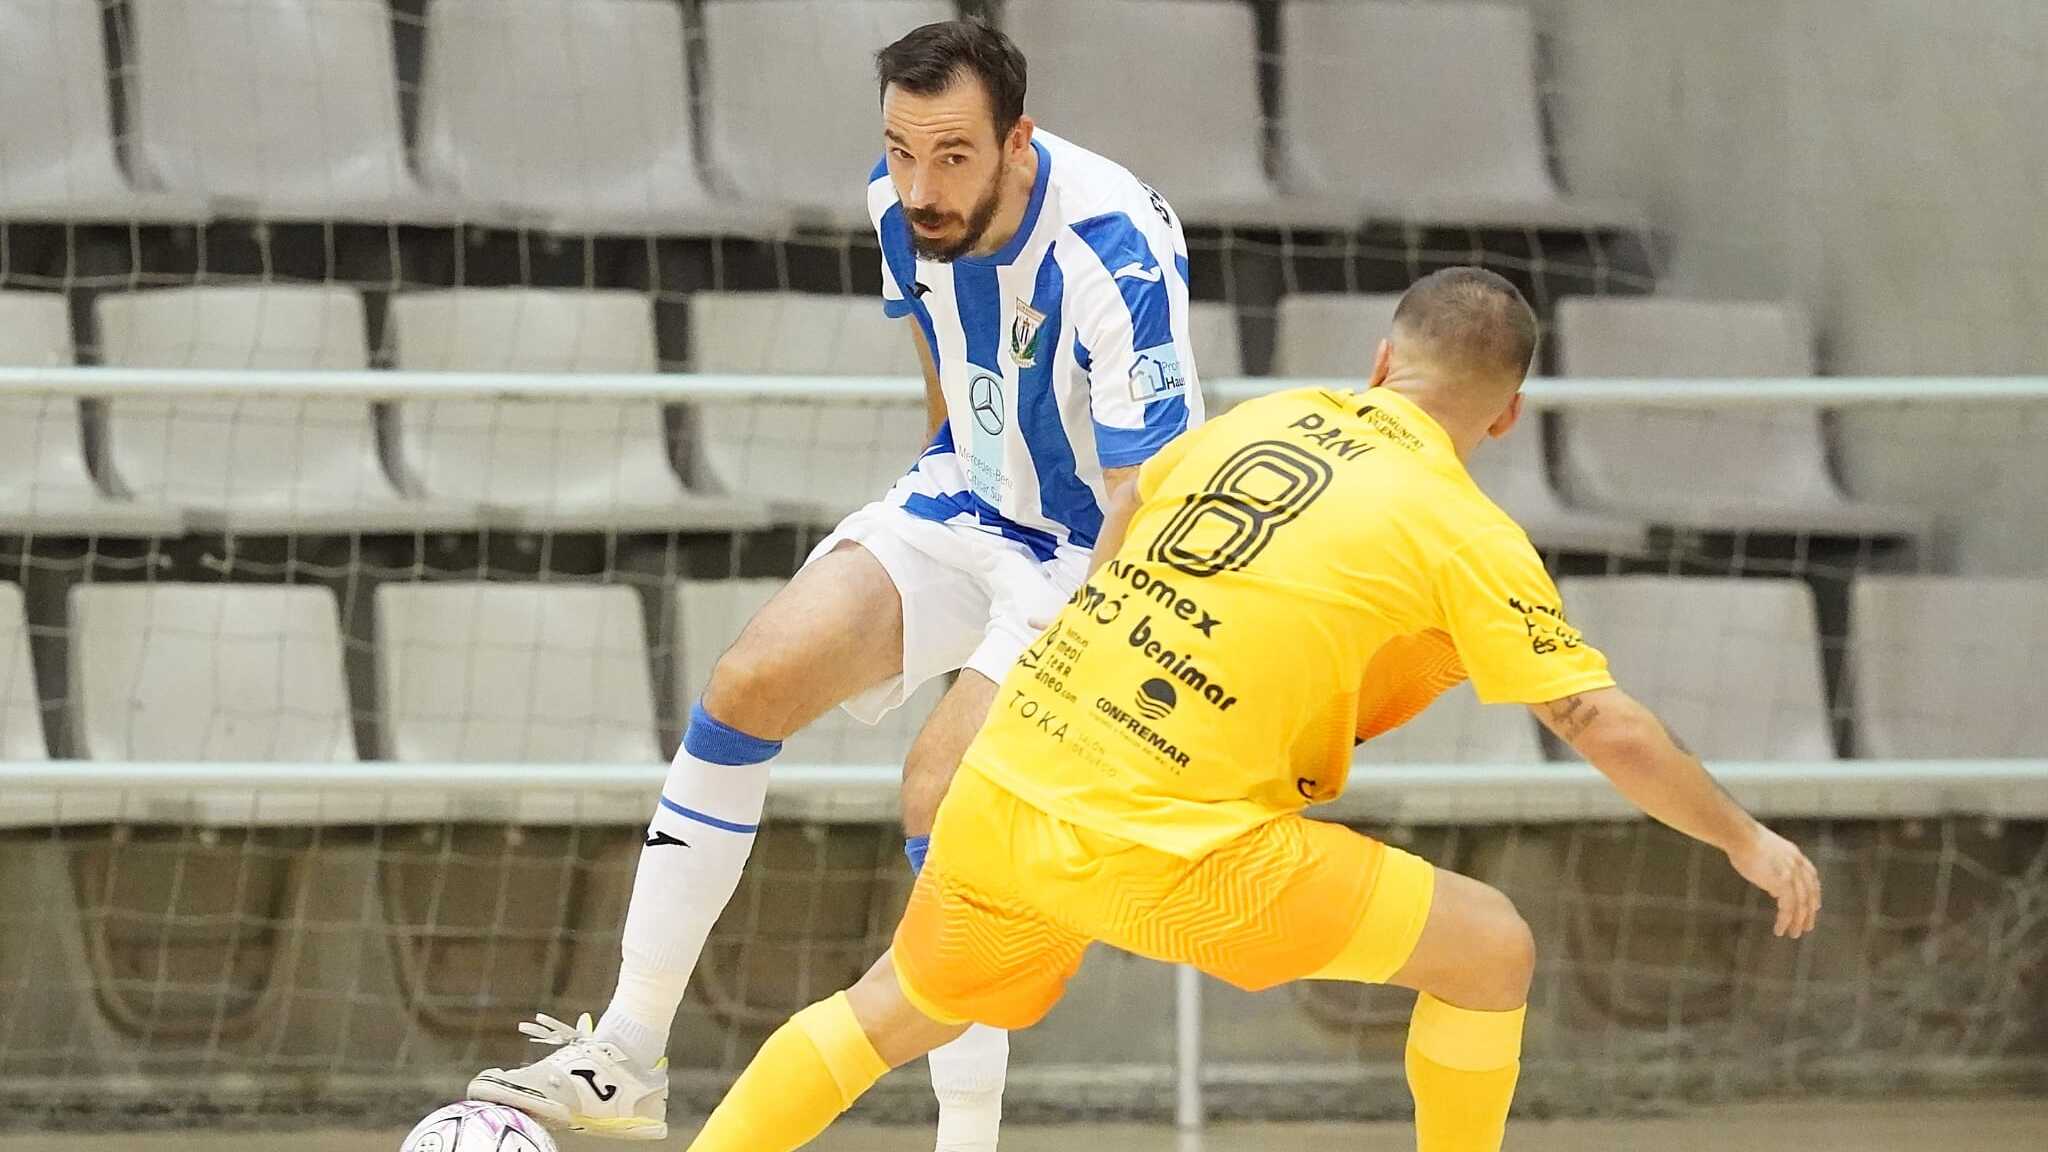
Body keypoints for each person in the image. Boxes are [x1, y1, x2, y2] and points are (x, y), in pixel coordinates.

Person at [679, 267, 1823, 1152]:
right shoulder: (1463, 529)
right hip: (1180, 854)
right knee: (1492, 952)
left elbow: (1123, 522)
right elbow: (1596, 723)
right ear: (1507, 416)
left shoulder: (1247, 424)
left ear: (1381, 360)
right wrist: (1745, 837)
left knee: (885, 1011)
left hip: (1013, 785)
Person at [468, 20, 1204, 1149]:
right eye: (900, 150)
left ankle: (967, 1138)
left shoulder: (1109, 249)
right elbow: (937, 351)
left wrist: (1047, 665)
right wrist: (934, 503)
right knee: (746, 682)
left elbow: (1143, 495)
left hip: (1092, 552)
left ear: (1018, 142)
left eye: (951, 153)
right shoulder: (896, 202)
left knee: (939, 796)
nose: (920, 183)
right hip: (965, 497)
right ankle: (623, 1056)